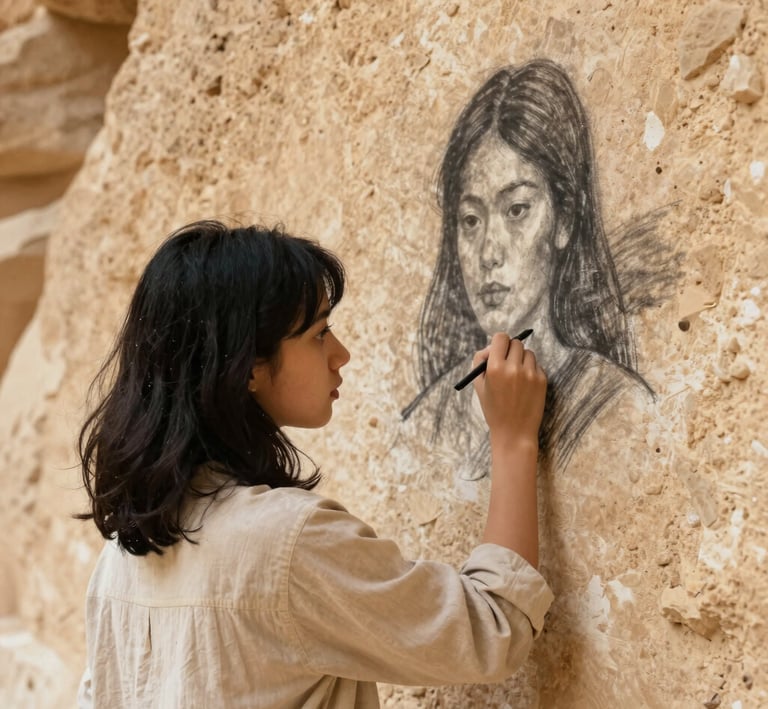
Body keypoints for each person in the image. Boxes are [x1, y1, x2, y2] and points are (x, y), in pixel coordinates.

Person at [76, 219, 553, 708]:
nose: (340, 355)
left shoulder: (120, 557)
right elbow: (492, 629)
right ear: (250, 367)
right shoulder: (286, 543)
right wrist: (513, 439)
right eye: (320, 333)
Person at [403, 59, 673, 475]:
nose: (489, 253)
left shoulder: (617, 406)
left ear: (564, 219)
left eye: (516, 210)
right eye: (471, 220)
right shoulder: (428, 422)